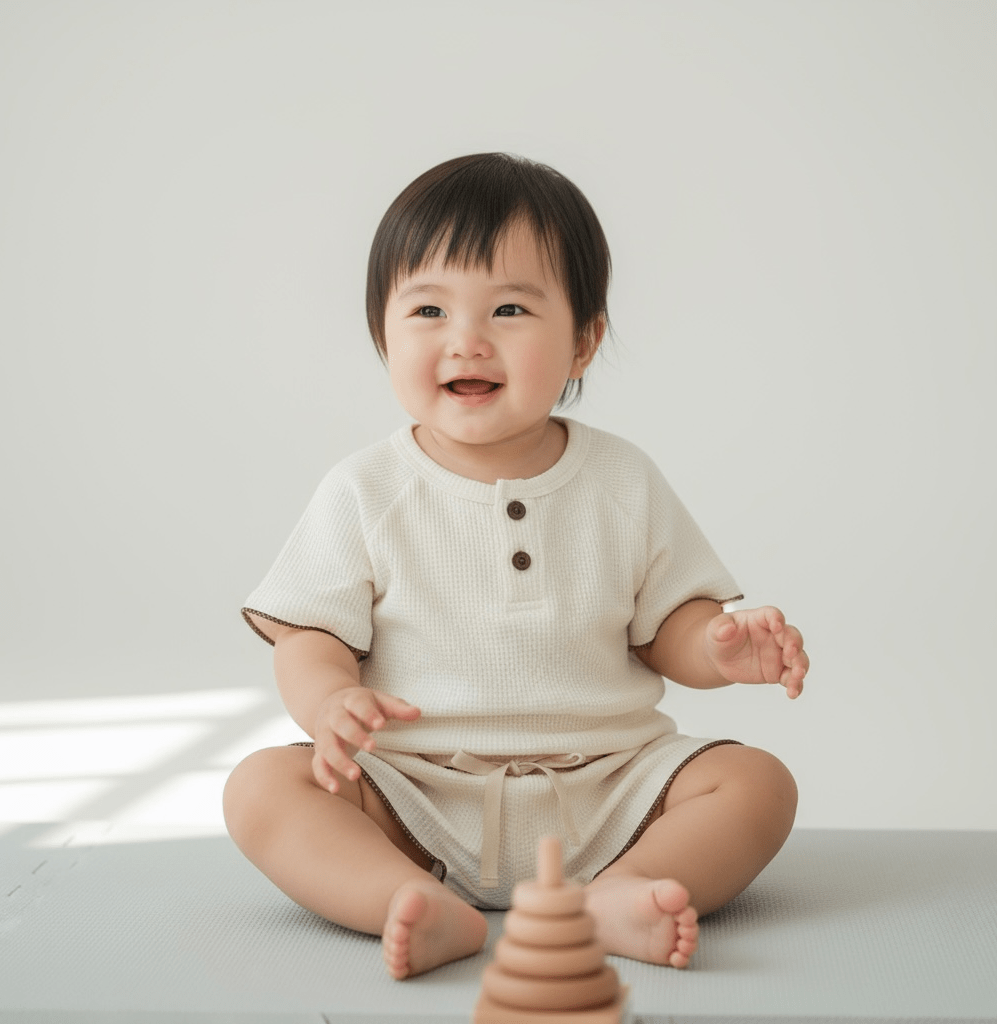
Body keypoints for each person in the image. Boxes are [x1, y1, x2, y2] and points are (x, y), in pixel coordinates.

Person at [223, 152, 809, 980]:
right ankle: (406, 899)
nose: (467, 339)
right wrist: (331, 703)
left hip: (612, 787)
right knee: (260, 788)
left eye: (507, 309)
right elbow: (308, 636)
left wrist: (715, 648)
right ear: (382, 336)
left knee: (757, 781)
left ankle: (623, 890)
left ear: (584, 341)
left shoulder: (622, 480)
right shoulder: (366, 489)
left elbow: (666, 627)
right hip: (418, 792)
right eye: (428, 309)